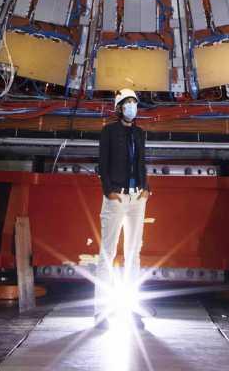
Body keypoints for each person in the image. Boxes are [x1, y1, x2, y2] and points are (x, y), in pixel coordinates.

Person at [95, 87, 148, 325]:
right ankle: (101, 312)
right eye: (127, 103)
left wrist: (146, 188)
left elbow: (142, 163)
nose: (131, 107)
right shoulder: (108, 132)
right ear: (119, 108)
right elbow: (102, 165)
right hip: (116, 198)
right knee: (108, 253)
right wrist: (109, 192)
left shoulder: (139, 133)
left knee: (133, 254)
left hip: (137, 199)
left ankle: (133, 309)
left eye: (134, 103)